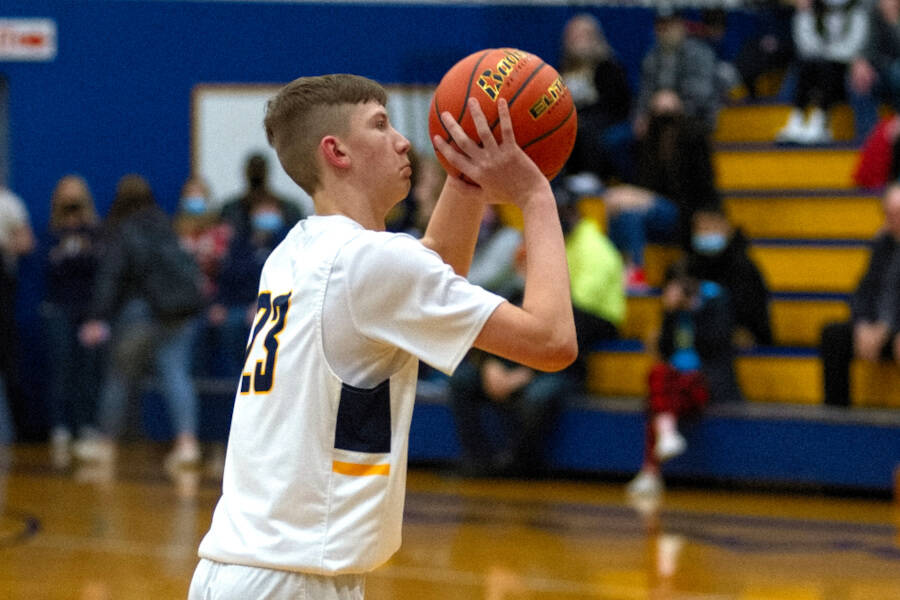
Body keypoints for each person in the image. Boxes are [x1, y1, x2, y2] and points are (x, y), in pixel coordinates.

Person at [189, 74, 576, 599]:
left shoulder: (297, 250)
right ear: (337, 152)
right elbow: (552, 342)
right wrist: (535, 195)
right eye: (380, 125)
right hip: (291, 578)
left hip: (253, 567)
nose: (402, 141)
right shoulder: (367, 263)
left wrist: (466, 176)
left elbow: (431, 270)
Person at [450, 187, 623, 477]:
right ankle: (477, 461)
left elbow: (569, 336)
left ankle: (517, 465)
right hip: (521, 356)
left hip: (563, 358)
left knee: (539, 396)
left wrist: (523, 374)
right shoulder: (527, 266)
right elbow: (501, 317)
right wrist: (489, 364)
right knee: (461, 380)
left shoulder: (590, 260)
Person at [75, 174, 206, 470]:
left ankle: (106, 444)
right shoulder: (166, 224)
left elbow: (112, 277)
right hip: (180, 312)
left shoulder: (123, 230)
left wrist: (97, 316)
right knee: (176, 374)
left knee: (119, 377)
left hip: (141, 313)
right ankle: (187, 444)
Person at [627, 259, 739, 499]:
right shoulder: (673, 310)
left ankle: (650, 470)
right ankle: (667, 436)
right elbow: (665, 351)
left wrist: (692, 308)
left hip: (707, 379)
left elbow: (716, 343)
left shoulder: (715, 300)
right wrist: (669, 315)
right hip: (674, 381)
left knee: (661, 401)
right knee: (658, 376)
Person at [604, 90, 717, 290]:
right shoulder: (648, 145)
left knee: (626, 205)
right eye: (659, 116)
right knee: (625, 212)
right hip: (657, 210)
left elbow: (698, 190)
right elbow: (624, 162)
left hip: (685, 213)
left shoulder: (693, 141)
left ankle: (634, 269)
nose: (665, 123)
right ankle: (620, 268)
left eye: (669, 116)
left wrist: (645, 199)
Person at [39, 175, 105, 467]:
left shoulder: (96, 232)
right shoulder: (52, 233)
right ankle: (61, 425)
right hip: (59, 309)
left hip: (88, 311)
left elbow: (98, 270)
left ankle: (86, 424)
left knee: (87, 370)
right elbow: (50, 268)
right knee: (61, 367)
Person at [820, 182, 900, 407]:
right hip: (877, 328)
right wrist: (863, 324)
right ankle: (836, 415)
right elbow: (863, 291)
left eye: (898, 214)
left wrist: (887, 327)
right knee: (833, 335)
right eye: (890, 214)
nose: (894, 220)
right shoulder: (882, 245)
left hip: (894, 328)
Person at [557, 13, 635, 185]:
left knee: (584, 126)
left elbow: (617, 104)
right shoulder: (562, 69)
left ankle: (590, 177)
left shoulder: (609, 66)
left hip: (605, 118)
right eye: (573, 36)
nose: (577, 40)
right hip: (574, 117)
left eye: (582, 35)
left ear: (595, 38)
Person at [777, 0, 869, 145]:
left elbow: (855, 44)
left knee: (828, 68)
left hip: (845, 64)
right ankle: (797, 119)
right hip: (819, 63)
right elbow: (805, 44)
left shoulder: (856, 10)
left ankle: (820, 121)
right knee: (806, 66)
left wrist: (830, 54)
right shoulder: (811, 9)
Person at [686, 206, 773, 349]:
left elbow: (754, 314)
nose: (705, 233)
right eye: (700, 229)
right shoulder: (686, 267)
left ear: (726, 228)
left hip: (738, 338)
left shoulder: (744, 268)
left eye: (710, 227)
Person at [635, 5, 721, 136]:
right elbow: (644, 93)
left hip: (696, 118)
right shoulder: (651, 57)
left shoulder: (700, 53)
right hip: (659, 120)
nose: (665, 30)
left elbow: (704, 93)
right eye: (661, 25)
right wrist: (641, 116)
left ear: (681, 25)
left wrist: (676, 102)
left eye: (670, 25)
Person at [0, 185, 35, 449]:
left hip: (3, 288)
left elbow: (26, 242)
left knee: (7, 362)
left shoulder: (9, 203)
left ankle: (8, 433)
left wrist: (4, 244)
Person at [849, 0, 900, 144]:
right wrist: (861, 61)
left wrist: (893, 21)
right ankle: (869, 139)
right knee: (858, 78)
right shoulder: (873, 13)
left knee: (897, 72)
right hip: (880, 68)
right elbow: (867, 44)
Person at [219, 153, 305, 237]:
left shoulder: (289, 209)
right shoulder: (231, 209)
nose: (256, 172)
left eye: (259, 169)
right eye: (254, 169)